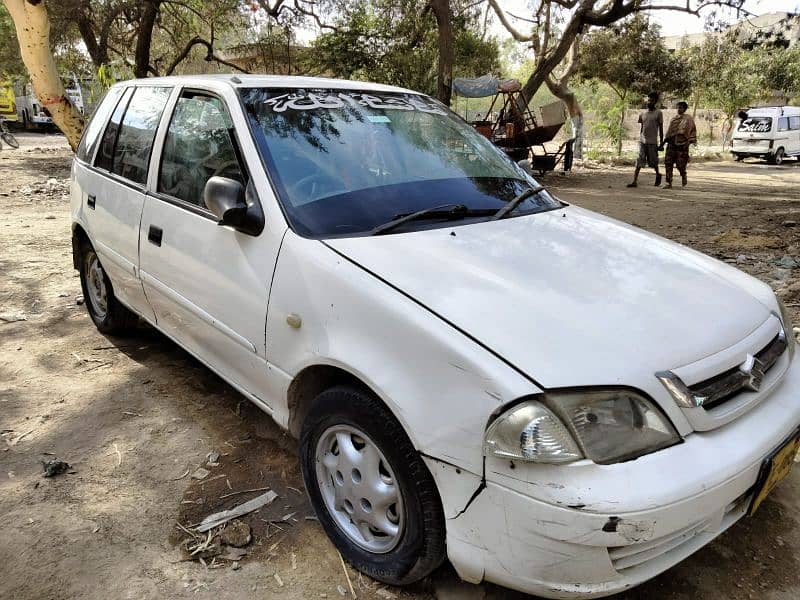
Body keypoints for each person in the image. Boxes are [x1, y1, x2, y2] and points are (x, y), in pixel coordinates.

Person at [627, 92, 663, 188]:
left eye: (651, 100)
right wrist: (640, 139)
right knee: (639, 161)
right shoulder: (643, 114)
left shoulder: (658, 113)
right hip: (643, 142)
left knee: (653, 162)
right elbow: (642, 128)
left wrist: (661, 143)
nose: (649, 102)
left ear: (655, 102)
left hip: (653, 142)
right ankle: (634, 181)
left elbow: (661, 128)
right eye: (648, 100)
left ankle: (658, 174)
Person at [661, 101, 697, 188]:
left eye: (680, 108)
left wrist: (689, 142)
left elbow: (692, 131)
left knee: (680, 164)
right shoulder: (674, 119)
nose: (678, 109)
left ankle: (683, 174)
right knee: (668, 163)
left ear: (684, 109)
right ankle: (668, 182)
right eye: (678, 107)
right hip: (671, 144)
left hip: (682, 145)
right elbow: (669, 132)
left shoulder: (688, 119)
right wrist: (663, 143)